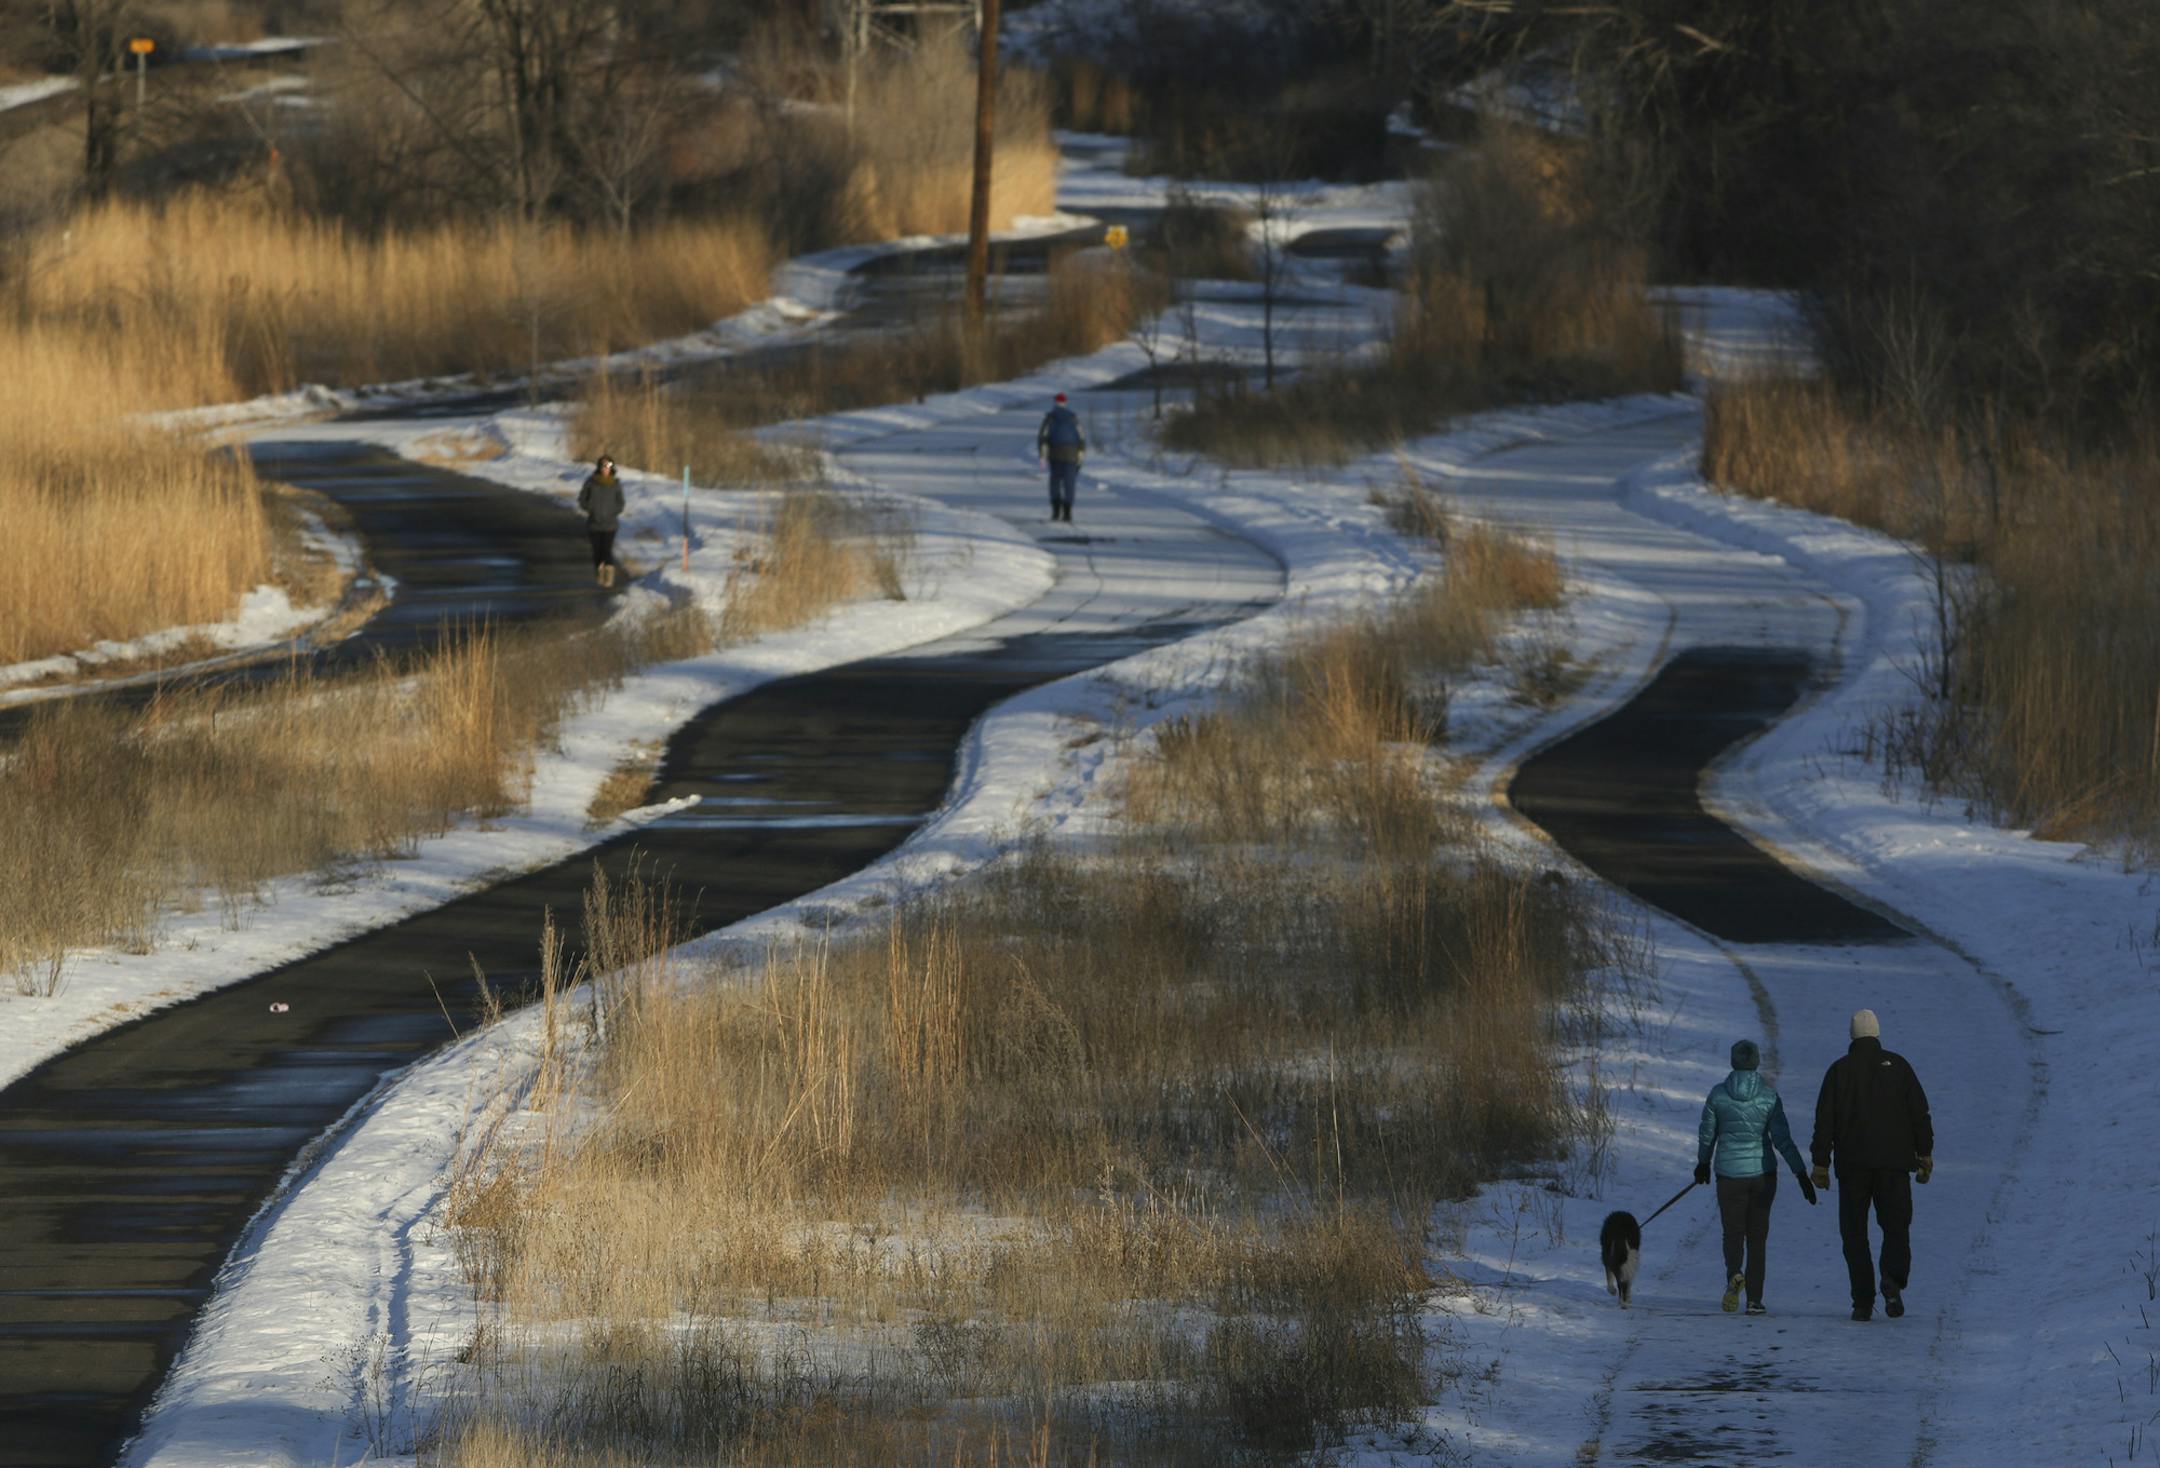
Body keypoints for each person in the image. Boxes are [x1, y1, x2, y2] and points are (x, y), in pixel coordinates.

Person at [1812, 1008, 1934, 1322]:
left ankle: (1862, 1302)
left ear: (1852, 1036)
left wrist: (1821, 1163)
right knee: (1896, 1227)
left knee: (1854, 1233)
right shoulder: (1900, 1067)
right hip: (1894, 1165)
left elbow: (1825, 1120)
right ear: (1877, 1034)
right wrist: (1924, 1153)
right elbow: (1919, 1113)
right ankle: (1892, 1280)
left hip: (1853, 1166)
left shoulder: (1839, 1070)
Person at [1695, 1038, 1817, 1315]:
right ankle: (1755, 1300)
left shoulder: (1717, 1095)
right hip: (1763, 1176)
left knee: (1733, 1233)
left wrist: (1702, 1163)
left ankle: (1734, 1274)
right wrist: (1800, 1173)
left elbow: (1707, 1134)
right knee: (1758, 1237)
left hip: (1729, 1175)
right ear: (1757, 1062)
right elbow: (1782, 1140)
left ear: (1732, 1061)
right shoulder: (1769, 1097)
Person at [1036, 392, 1086, 523]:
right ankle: (1068, 512)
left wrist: (1042, 457)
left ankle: (1056, 511)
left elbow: (1042, 438)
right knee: (1070, 483)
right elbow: (1081, 438)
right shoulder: (1073, 418)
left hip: (1055, 453)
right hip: (1071, 453)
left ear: (1054, 402)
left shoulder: (1050, 418)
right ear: (1066, 402)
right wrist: (1080, 457)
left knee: (1055, 482)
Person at [578, 453, 625, 588]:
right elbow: (582, 499)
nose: (605, 469)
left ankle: (609, 577)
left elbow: (620, 503)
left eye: (608, 466)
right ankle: (599, 572)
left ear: (612, 468)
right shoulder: (591, 482)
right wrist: (590, 509)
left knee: (607, 550)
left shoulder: (616, 484)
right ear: (599, 467)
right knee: (597, 551)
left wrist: (613, 512)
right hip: (594, 524)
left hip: (610, 524)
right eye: (603, 466)